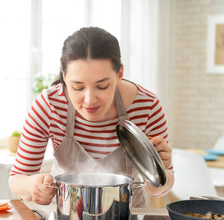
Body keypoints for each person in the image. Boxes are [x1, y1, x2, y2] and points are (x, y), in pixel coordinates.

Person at [9, 27, 174, 207]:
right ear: (64, 77)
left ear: (119, 74)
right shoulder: (49, 105)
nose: (89, 100)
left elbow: (159, 189)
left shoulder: (146, 106)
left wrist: (160, 170)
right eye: (78, 87)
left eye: (102, 86)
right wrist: (34, 187)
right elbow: (17, 179)